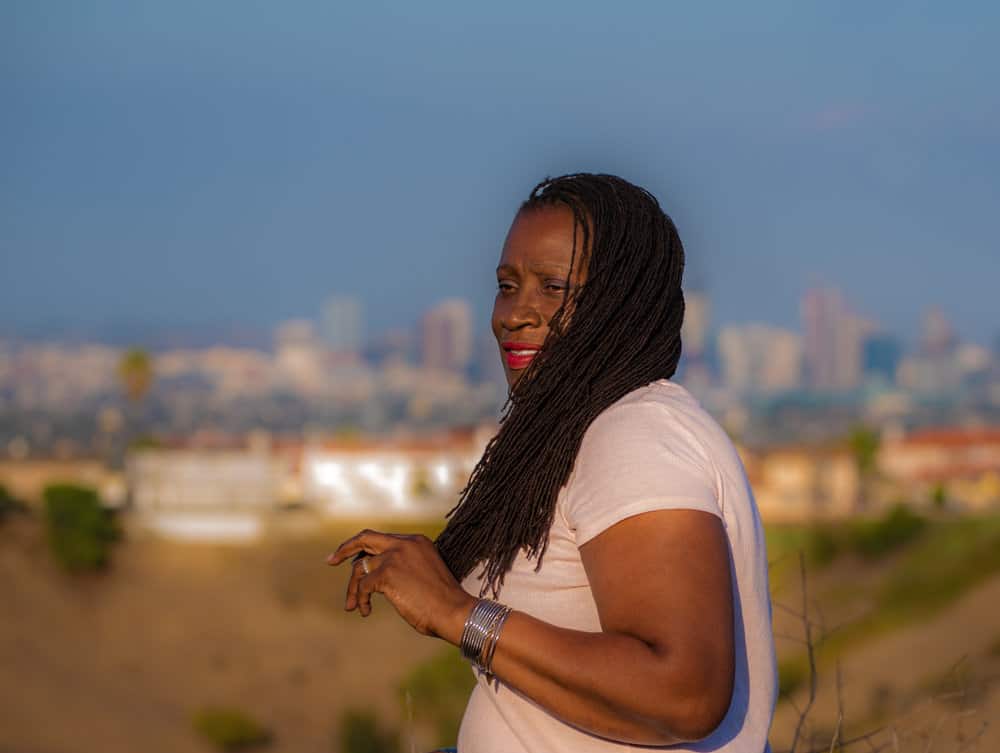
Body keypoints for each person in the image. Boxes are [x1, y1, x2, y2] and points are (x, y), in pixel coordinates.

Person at [328, 173, 777, 752]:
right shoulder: (583, 430)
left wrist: (460, 613)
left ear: (621, 301)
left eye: (553, 287)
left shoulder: (635, 435)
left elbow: (683, 693)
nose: (515, 313)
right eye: (507, 285)